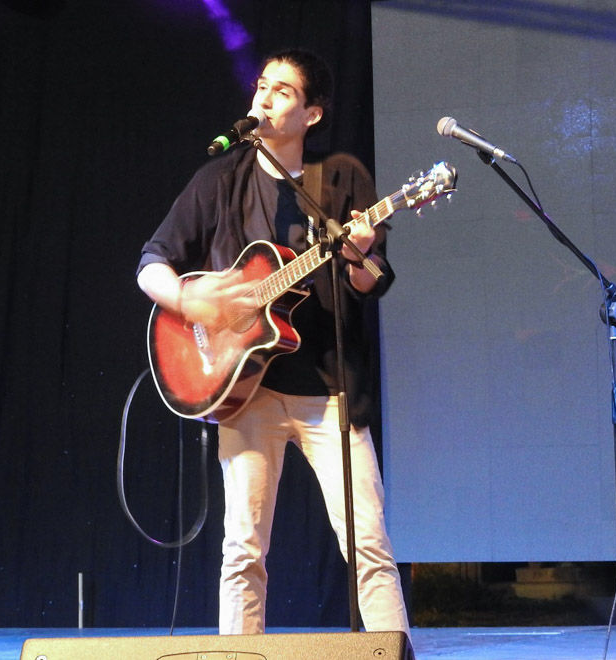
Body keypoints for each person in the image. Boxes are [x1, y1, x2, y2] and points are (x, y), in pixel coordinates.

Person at [136, 48, 409, 636]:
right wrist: (188, 300)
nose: (264, 97)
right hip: (246, 390)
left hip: (330, 392)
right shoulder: (220, 179)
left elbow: (372, 279)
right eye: (263, 85)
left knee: (368, 544)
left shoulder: (340, 178)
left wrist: (358, 254)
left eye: (283, 91)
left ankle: (392, 651)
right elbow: (151, 263)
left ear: (312, 114)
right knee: (243, 550)